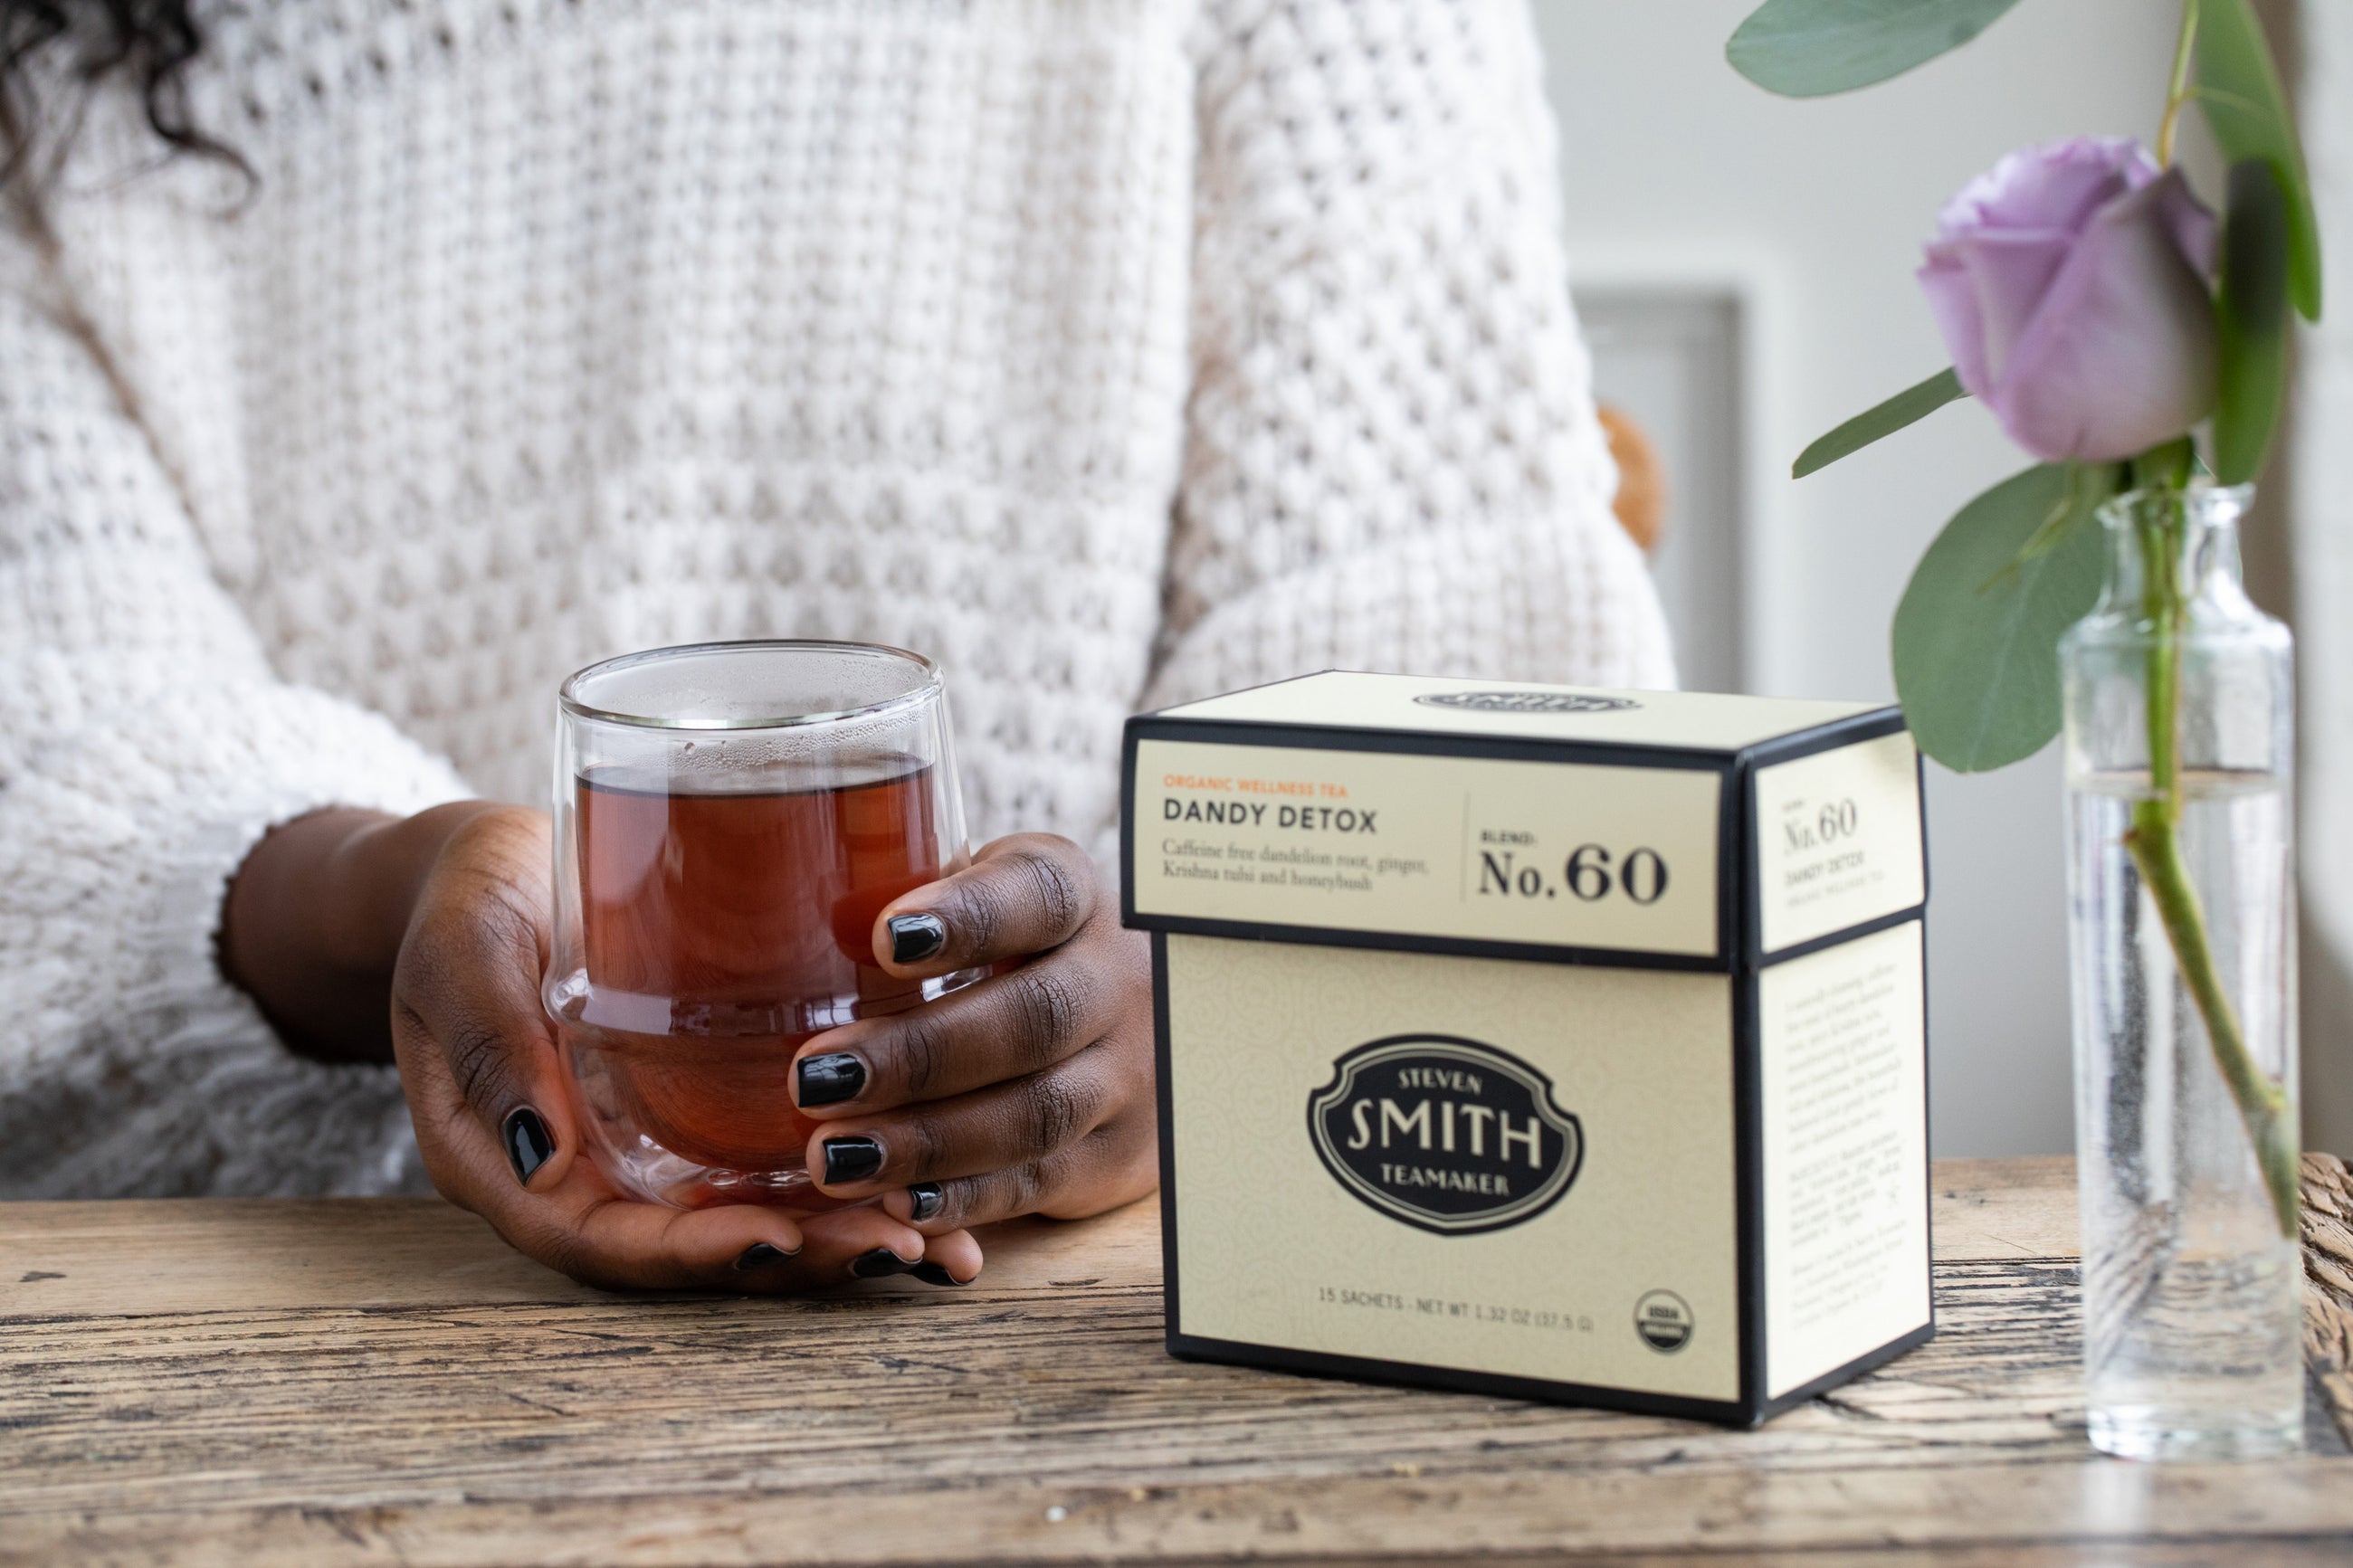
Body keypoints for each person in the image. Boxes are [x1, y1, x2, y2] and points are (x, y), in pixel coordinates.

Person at [0, 0, 1673, 1292]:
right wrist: (390, 897)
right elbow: (66, 716)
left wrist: (1210, 994)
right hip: (314, 1335)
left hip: (1111, 1340)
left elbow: (1472, 711)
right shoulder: (54, 63)